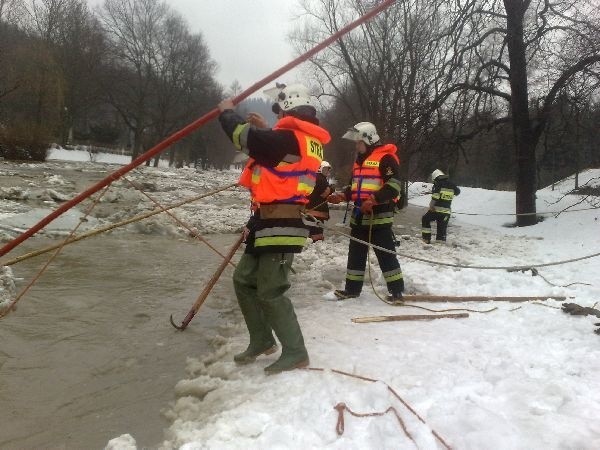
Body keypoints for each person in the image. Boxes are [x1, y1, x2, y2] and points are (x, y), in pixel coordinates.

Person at [218, 83, 331, 374]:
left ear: (288, 108)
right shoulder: (300, 139)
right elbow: (277, 157)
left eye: (280, 111)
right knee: (243, 280)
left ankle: (296, 352)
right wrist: (266, 130)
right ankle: (262, 340)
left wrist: (228, 113)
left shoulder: (293, 139)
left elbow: (246, 140)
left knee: (271, 291)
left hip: (282, 222)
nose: (278, 115)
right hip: (265, 219)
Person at [328, 122, 404, 303]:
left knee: (386, 255)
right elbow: (356, 187)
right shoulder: (359, 162)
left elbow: (394, 185)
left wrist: (374, 199)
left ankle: (397, 292)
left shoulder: (386, 159)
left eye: (358, 142)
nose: (356, 146)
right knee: (356, 254)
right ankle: (352, 290)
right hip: (359, 216)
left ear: (369, 139)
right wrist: (342, 196)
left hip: (379, 217)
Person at [421, 169, 460, 243]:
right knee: (442, 227)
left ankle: (426, 239)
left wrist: (431, 206)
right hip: (446, 212)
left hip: (436, 211)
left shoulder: (438, 184)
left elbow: (435, 196)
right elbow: (458, 192)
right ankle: (440, 242)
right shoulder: (452, 184)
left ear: (435, 178)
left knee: (425, 219)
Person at [305, 160, 333, 241]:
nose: (327, 171)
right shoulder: (321, 179)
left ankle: (311, 242)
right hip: (317, 211)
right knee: (317, 231)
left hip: (309, 209)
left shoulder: (312, 177)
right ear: (320, 169)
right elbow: (325, 193)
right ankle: (315, 243)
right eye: (326, 169)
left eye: (328, 169)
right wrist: (332, 189)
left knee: (310, 230)